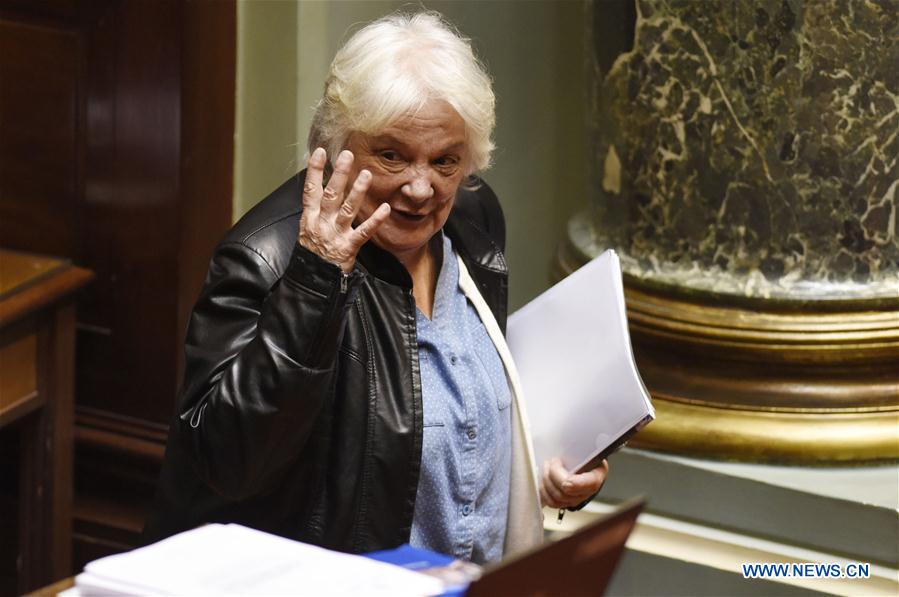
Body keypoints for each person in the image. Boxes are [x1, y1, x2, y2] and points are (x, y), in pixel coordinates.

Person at [144, 11, 607, 564]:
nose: (421, 188)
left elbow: (465, 415)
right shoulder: (265, 259)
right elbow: (230, 463)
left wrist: (550, 466)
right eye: (392, 155)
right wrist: (316, 280)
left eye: (445, 161)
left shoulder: (472, 221)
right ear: (336, 146)